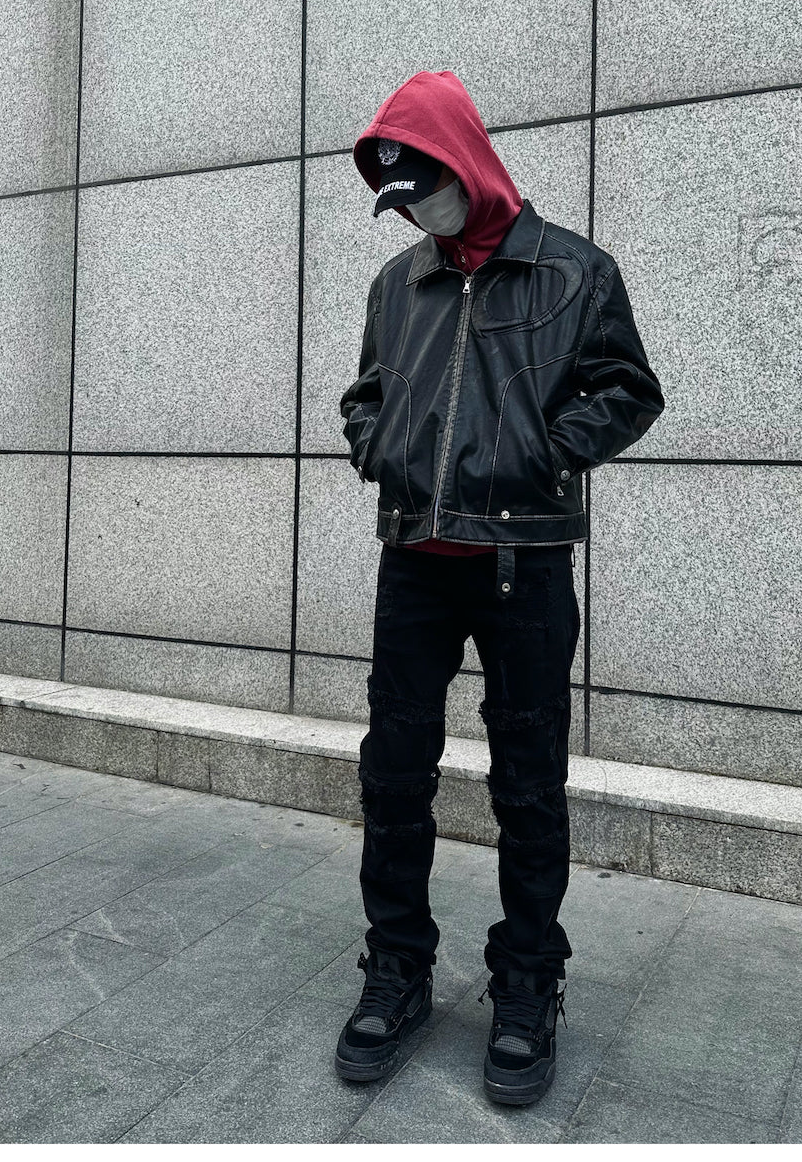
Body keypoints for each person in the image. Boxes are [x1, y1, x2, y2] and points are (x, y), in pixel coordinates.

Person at [334, 70, 664, 1106]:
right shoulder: (398, 284)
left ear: (465, 163)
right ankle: (397, 966)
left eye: (422, 189)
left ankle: (526, 982)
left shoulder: (573, 272)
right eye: (397, 200)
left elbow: (629, 390)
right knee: (393, 774)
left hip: (523, 567)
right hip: (412, 565)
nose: (413, 213)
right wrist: (378, 447)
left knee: (527, 783)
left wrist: (536, 453)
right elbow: (365, 396)